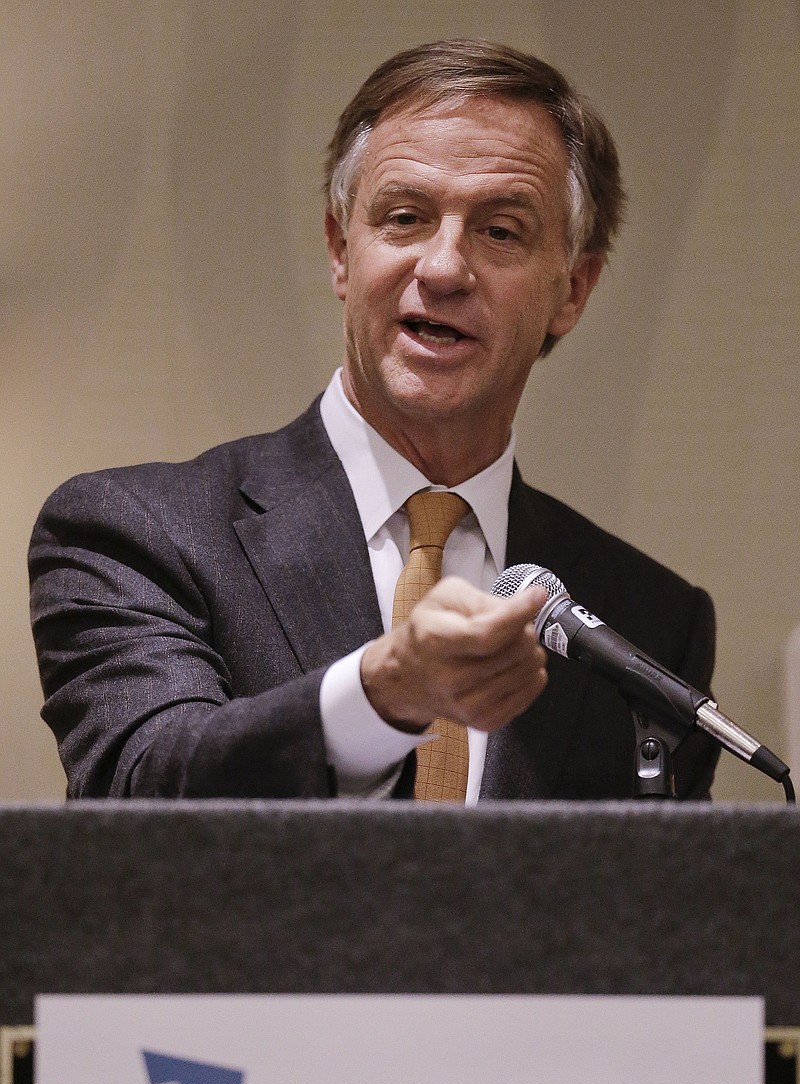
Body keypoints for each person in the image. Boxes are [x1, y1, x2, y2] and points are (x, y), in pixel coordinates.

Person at [29, 38, 718, 802]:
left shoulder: (651, 623)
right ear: (339, 250)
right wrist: (383, 694)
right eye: (405, 217)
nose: (445, 268)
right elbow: (140, 790)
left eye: (500, 231)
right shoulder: (138, 532)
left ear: (574, 289)